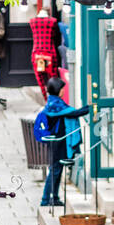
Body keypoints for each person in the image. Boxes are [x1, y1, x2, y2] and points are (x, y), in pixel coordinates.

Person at [34, 75, 90, 207]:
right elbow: (75, 113)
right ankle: (46, 199)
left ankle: (54, 197)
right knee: (55, 171)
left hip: (57, 142)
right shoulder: (56, 106)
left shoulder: (53, 102)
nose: (64, 91)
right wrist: (92, 106)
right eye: (63, 89)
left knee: (56, 170)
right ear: (58, 90)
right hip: (58, 143)